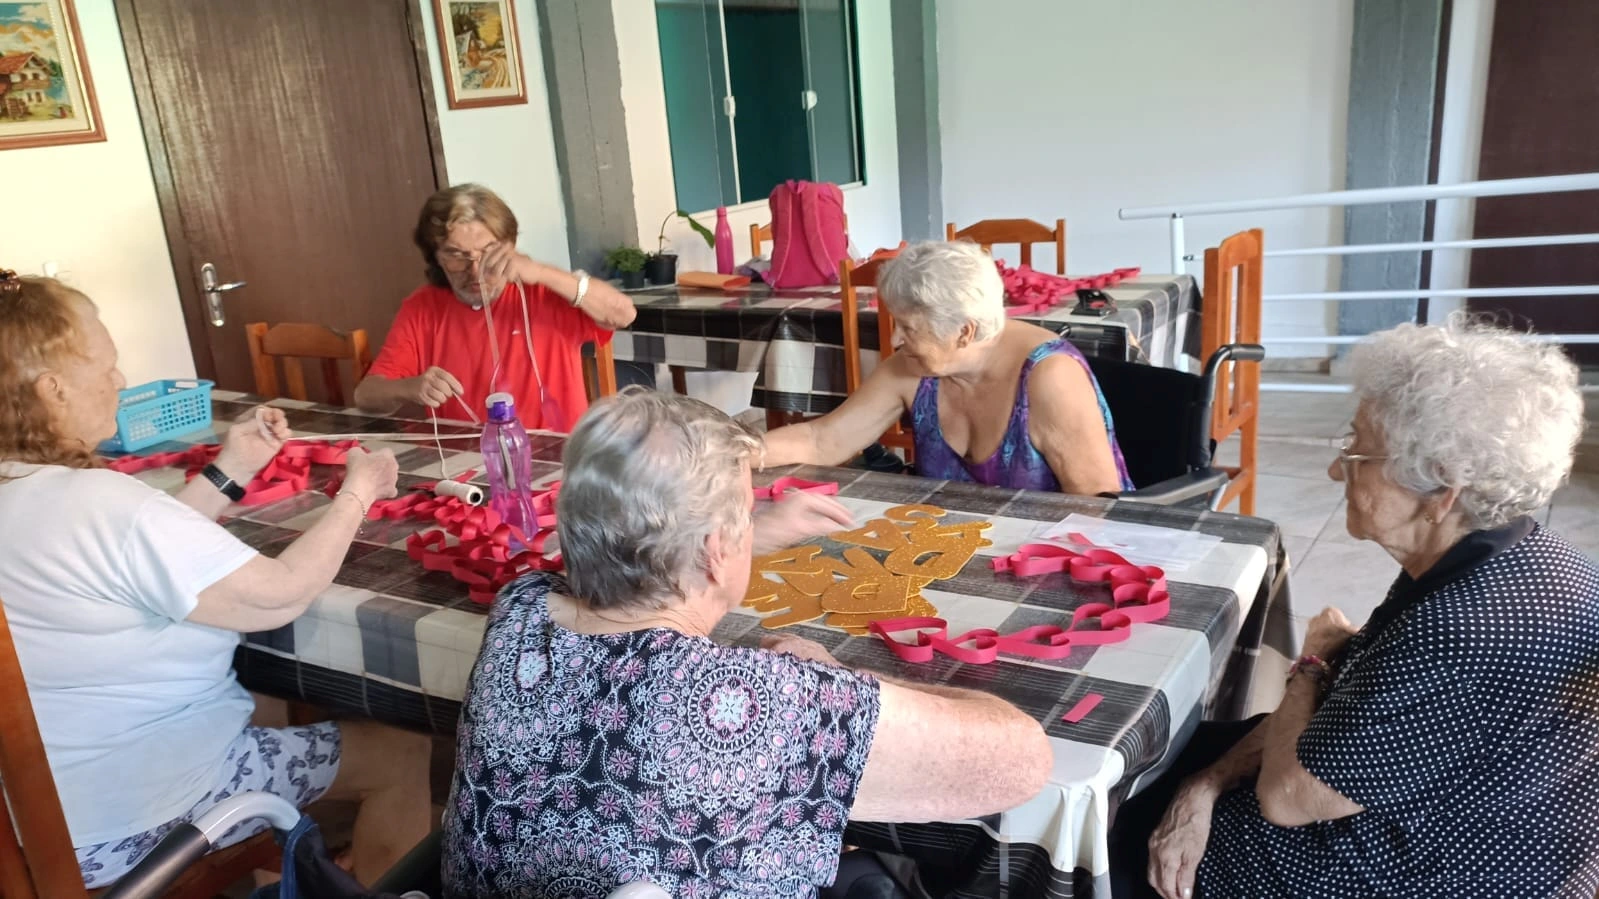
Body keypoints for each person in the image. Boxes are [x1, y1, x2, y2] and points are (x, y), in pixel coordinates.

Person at [442, 388, 1054, 898]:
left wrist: (733, 537)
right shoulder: (749, 703)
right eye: (743, 511)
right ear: (715, 551)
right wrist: (835, 678)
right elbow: (1023, 761)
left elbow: (615, 551)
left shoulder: (519, 608)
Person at [1108, 321, 1599, 898]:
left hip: (1426, 872)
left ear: (1442, 491)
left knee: (1110, 831)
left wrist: (1312, 661)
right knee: (1166, 758)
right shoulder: (1517, 554)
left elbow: (1287, 797)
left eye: (1358, 452)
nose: (1335, 469)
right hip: (1437, 820)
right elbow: (1351, 723)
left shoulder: (1455, 630)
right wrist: (1206, 783)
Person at [0, 272, 434, 888]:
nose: (120, 381)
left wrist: (231, 469)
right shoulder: (99, 504)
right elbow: (282, 593)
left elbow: (138, 555)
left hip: (33, 819)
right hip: (135, 814)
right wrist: (357, 494)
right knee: (402, 749)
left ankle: (296, 870)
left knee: (264, 701)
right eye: (106, 366)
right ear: (53, 390)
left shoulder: (29, 492)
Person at [760, 240, 1132, 495]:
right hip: (957, 546)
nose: (895, 340)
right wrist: (731, 454)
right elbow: (823, 440)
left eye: (909, 328)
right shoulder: (915, 367)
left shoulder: (1050, 377)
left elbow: (1094, 506)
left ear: (964, 332)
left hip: (1047, 554)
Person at [354, 183, 640, 431]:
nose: (475, 270)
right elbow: (366, 397)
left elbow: (623, 313)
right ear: (436, 257)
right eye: (456, 255)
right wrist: (409, 388)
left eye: (488, 252)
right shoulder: (422, 308)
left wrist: (541, 272)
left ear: (510, 246)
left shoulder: (544, 292)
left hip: (555, 461)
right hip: (466, 463)